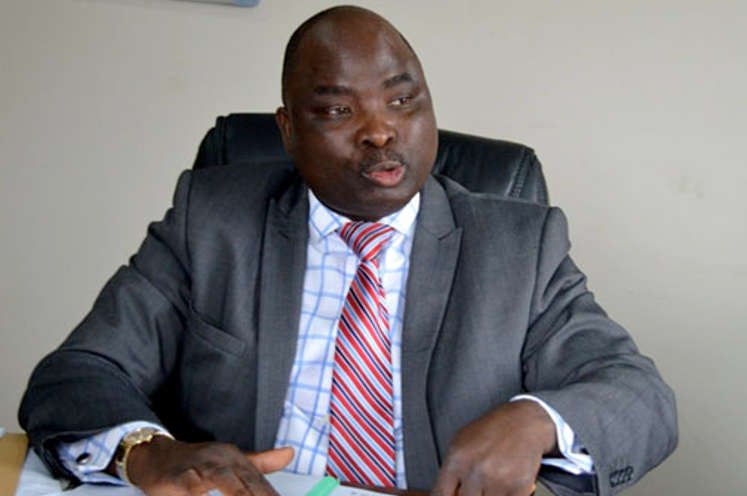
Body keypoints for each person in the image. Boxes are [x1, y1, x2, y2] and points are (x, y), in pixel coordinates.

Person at [19, 5, 677, 496]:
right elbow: (79, 372)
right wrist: (147, 452)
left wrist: (535, 419)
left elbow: (638, 396)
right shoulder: (213, 222)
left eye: (402, 100)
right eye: (337, 111)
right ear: (287, 130)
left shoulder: (516, 245)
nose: (379, 131)